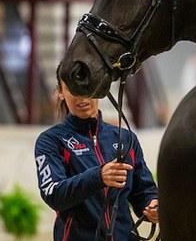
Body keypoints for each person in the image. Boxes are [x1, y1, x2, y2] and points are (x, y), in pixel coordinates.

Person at [34, 65, 158, 240]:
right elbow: (53, 193)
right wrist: (98, 177)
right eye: (72, 88)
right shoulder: (51, 141)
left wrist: (151, 205)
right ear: (60, 92)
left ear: (100, 88)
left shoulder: (125, 138)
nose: (82, 96)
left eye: (88, 87)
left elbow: (143, 191)